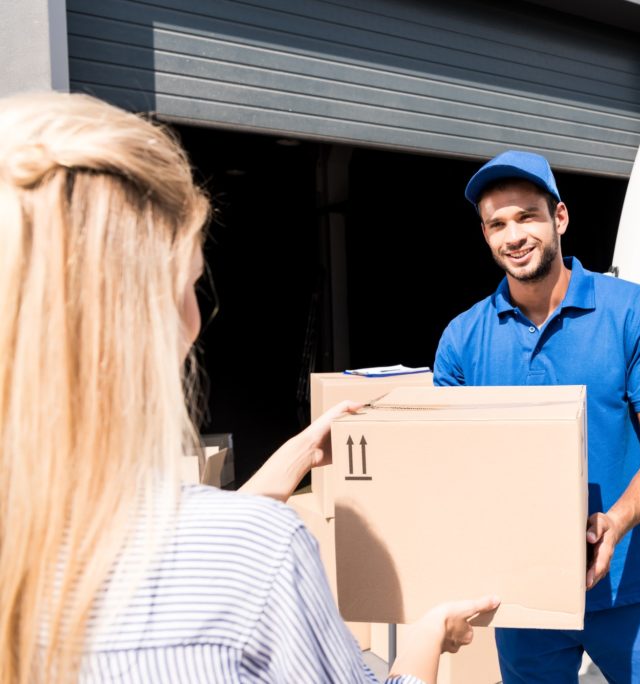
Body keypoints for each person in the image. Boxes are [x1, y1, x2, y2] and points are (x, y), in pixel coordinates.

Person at [0, 91, 497, 684]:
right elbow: (210, 560)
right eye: (191, 284)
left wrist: (293, 458)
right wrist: (427, 636)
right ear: (154, 319)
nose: (197, 316)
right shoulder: (258, 557)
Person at [433, 150, 640, 683]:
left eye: (527, 216)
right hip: (524, 594)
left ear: (559, 218)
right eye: (497, 224)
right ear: (485, 235)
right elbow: (456, 470)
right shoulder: (461, 340)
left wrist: (614, 522)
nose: (514, 236)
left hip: (632, 586)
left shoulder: (634, 311)